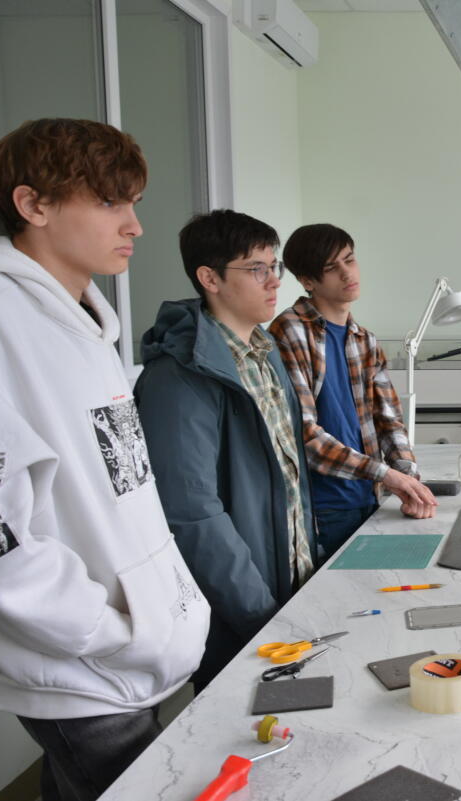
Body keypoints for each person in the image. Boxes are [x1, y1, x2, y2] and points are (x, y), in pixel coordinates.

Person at [0, 118, 209, 801]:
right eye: (111, 202)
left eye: (133, 202)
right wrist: (105, 629)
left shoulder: (86, 324)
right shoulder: (0, 320)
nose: (135, 225)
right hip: (80, 669)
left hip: (129, 655)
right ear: (34, 205)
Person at [134, 209, 315, 690]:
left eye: (274, 266)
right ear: (209, 278)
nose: (274, 281)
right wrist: (261, 618)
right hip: (241, 613)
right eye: (256, 269)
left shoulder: (264, 353)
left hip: (290, 588)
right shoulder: (178, 376)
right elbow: (192, 515)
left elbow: (289, 479)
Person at [268, 223, 436, 560]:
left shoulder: (365, 340)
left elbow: (389, 421)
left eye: (350, 259)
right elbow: (304, 435)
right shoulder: (289, 332)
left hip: (370, 499)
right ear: (308, 281)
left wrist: (409, 481)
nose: (347, 273)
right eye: (332, 267)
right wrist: (387, 475)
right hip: (322, 509)